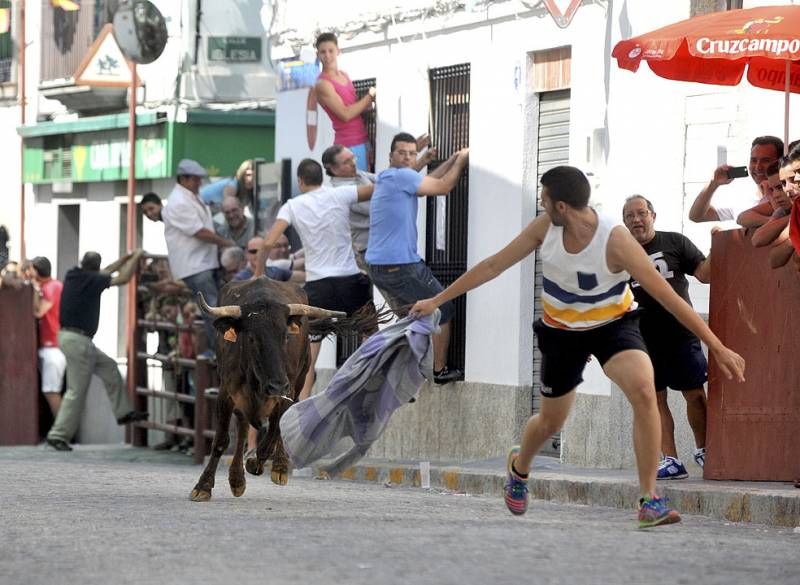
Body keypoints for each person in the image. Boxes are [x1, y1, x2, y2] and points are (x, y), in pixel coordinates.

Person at [410, 165, 745, 528]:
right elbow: (493, 266)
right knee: (552, 420)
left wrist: (717, 346)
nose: (541, 203)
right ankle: (520, 467)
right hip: (562, 331)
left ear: (562, 206)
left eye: (544, 199)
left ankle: (649, 500)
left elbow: (669, 297)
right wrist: (436, 300)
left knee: (645, 391)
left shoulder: (615, 240)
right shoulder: (544, 228)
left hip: (614, 326)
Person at [254, 158, 376, 401]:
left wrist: (258, 274)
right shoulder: (340, 194)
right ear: (321, 178)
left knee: (309, 351)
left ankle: (303, 399)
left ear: (300, 181)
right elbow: (377, 190)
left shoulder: (292, 205)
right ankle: (372, 381)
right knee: (370, 331)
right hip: (350, 280)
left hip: (318, 286)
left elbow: (268, 242)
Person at [366, 133, 469, 384]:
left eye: (412, 153)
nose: (408, 157)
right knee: (442, 308)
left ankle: (399, 376)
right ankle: (440, 370)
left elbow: (423, 184)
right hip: (400, 266)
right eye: (402, 153)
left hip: (380, 266)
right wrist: (462, 160)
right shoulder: (401, 176)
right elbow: (443, 187)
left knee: (410, 320)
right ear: (391, 156)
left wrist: (449, 160)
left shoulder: (389, 177)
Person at [622, 195, 711, 480]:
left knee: (695, 394)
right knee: (655, 400)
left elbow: (704, 274)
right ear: (624, 223)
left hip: (681, 333)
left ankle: (706, 449)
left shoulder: (674, 242)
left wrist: (719, 246)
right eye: (630, 216)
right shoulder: (619, 255)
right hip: (642, 340)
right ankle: (671, 460)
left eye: (641, 213)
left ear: (653, 215)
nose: (637, 219)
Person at [45, 250, 149, 451]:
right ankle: (58, 435)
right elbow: (124, 277)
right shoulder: (94, 280)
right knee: (76, 391)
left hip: (74, 339)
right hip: (79, 341)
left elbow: (107, 270)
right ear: (95, 267)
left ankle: (123, 412)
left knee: (109, 367)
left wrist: (125, 258)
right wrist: (136, 258)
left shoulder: (74, 274)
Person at [322, 137, 437, 272]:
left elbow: (390, 180)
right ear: (334, 169)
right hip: (373, 250)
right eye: (347, 162)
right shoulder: (342, 193)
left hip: (386, 246)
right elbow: (387, 194)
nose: (353, 163)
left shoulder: (356, 174)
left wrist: (411, 157)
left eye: (353, 158)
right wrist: (415, 159)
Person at [162, 159, 236, 356]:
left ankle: (222, 347)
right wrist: (226, 243)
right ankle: (219, 350)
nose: (199, 183)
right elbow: (199, 232)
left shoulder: (191, 197)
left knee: (215, 305)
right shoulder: (178, 201)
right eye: (196, 179)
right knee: (211, 307)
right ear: (184, 179)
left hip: (203, 262)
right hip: (194, 265)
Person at [688, 136, 783, 227]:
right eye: (753, 160)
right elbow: (696, 216)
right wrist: (713, 184)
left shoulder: (789, 193)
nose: (758, 167)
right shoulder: (741, 197)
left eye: (765, 160)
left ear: (780, 162)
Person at [314, 32, 375, 171]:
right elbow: (345, 114)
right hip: (348, 145)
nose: (327, 55)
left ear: (338, 51)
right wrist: (369, 97)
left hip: (363, 140)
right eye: (323, 52)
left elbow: (354, 108)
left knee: (368, 189)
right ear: (318, 54)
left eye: (331, 51)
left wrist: (368, 106)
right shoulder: (322, 83)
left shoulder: (345, 75)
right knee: (356, 191)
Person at [30, 256, 66, 418]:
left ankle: (62, 431)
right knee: (51, 391)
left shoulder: (52, 287)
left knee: (51, 391)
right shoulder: (51, 285)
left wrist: (35, 289)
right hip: (50, 345)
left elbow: (39, 312)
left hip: (54, 347)